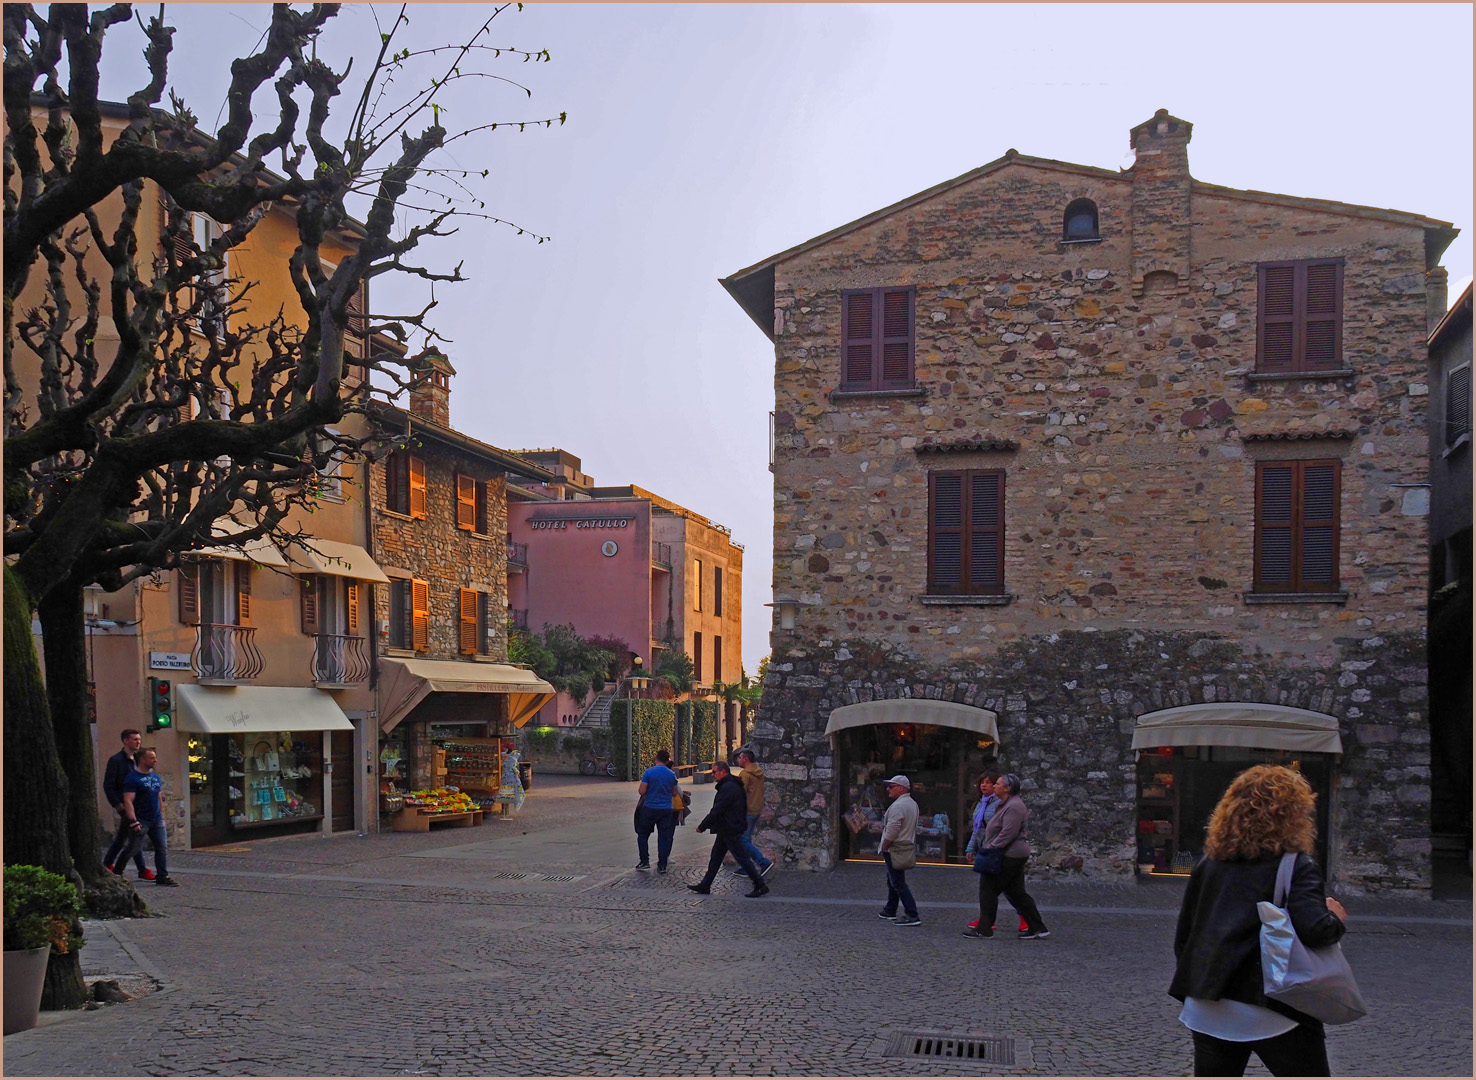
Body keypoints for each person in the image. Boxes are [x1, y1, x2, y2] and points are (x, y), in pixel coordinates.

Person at [1169, 764, 1347, 1077]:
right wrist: (1335, 916)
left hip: (1208, 1003)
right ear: (1293, 814)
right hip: (1269, 1005)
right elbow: (1316, 930)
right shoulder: (1296, 865)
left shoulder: (1209, 863)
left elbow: (1186, 937)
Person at [964, 772, 1047, 939]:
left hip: (1009, 854)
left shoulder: (1013, 806)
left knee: (988, 888)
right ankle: (1037, 927)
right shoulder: (1006, 804)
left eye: (998, 784)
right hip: (1010, 853)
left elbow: (1008, 833)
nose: (995, 786)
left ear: (1007, 788)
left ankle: (984, 928)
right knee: (1016, 892)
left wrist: (991, 847)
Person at [687, 760, 768, 897]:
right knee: (716, 857)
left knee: (742, 858)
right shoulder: (730, 785)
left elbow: (718, 809)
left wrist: (703, 825)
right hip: (726, 828)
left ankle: (760, 884)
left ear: (722, 772)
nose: (712, 775)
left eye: (714, 772)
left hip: (730, 828)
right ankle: (705, 884)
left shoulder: (728, 787)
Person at [117, 749, 179, 887]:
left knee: (162, 848)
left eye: (155, 757)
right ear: (142, 760)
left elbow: (158, 797)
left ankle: (162, 876)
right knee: (133, 848)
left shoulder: (155, 778)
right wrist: (133, 820)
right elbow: (128, 801)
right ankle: (117, 872)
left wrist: (162, 816)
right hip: (141, 819)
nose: (155, 760)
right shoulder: (133, 778)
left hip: (155, 819)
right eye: (151, 758)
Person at [102, 728, 152, 879]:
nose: (138, 742)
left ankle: (107, 862)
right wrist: (117, 804)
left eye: (139, 739)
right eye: (135, 739)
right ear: (125, 741)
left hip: (138, 804)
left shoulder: (138, 760)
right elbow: (108, 784)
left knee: (124, 836)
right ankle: (141, 869)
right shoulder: (116, 760)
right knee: (135, 836)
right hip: (125, 804)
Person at [875, 774, 921, 927]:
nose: (888, 789)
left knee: (897, 882)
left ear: (901, 788)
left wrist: (885, 846)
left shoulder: (898, 806)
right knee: (893, 879)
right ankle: (890, 909)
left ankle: (911, 913)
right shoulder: (912, 804)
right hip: (903, 844)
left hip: (895, 847)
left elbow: (893, 829)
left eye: (891, 786)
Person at [729, 748, 774, 879]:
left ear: (745, 759)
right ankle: (744, 867)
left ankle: (763, 862)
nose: (738, 760)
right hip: (756, 809)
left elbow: (740, 793)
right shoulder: (758, 772)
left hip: (747, 810)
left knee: (742, 840)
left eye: (740, 758)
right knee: (746, 839)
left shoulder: (745, 774)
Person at [634, 748, 680, 873]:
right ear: (667, 760)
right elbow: (675, 792)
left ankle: (644, 861)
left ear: (656, 758)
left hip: (650, 807)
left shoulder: (649, 772)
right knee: (664, 836)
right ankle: (662, 865)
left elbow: (642, 791)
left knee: (643, 834)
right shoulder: (671, 774)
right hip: (666, 809)